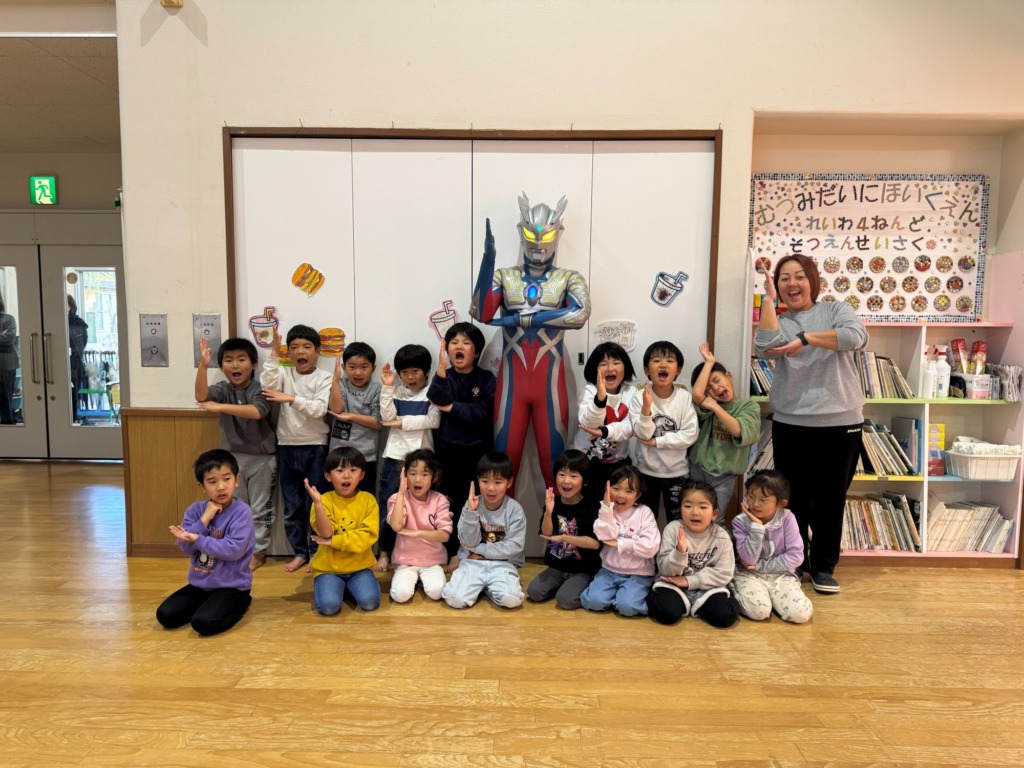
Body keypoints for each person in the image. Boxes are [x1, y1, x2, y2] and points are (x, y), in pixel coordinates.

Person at [756, 253, 869, 594]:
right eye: (784, 278)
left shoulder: (835, 310)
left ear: (812, 281)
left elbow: (855, 337)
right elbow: (765, 348)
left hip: (841, 423)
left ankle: (823, 567)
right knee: (794, 500)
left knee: (830, 500)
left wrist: (806, 338)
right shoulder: (778, 319)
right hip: (792, 422)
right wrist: (768, 300)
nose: (792, 283)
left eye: (799, 276)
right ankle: (795, 563)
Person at [469, 196, 591, 494]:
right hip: (512, 388)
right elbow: (481, 313)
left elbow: (581, 314)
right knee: (501, 471)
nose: (538, 243)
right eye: (531, 235)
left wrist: (531, 319)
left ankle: (558, 525)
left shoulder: (568, 278)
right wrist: (488, 261)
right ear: (521, 233)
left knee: (557, 472)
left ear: (558, 234)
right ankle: (498, 526)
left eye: (546, 236)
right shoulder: (505, 275)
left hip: (550, 388)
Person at [195, 336, 277, 570]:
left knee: (260, 510)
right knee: (235, 508)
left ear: (253, 364)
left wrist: (220, 407)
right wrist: (203, 366)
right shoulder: (223, 389)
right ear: (222, 367)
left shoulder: (260, 388)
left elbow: (257, 411)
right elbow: (201, 396)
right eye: (229, 360)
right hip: (231, 460)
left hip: (263, 459)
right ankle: (237, 549)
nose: (235, 365)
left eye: (242, 359)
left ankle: (258, 552)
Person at [156, 449, 255, 636]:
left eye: (227, 479)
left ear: (237, 479)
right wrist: (204, 519)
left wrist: (198, 539)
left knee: (203, 623)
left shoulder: (242, 512)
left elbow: (233, 550)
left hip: (232, 586)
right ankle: (208, 604)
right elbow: (186, 547)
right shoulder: (195, 510)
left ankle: (241, 603)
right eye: (212, 482)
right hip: (200, 585)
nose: (221, 487)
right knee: (166, 616)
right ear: (201, 486)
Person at [260, 324, 333, 573]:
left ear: (317, 352)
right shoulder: (284, 373)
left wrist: (291, 399)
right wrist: (273, 354)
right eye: (294, 347)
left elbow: (319, 409)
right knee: (292, 507)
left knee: (316, 505)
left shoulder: (324, 377)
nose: (300, 351)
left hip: (316, 448)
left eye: (306, 347)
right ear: (288, 353)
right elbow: (267, 385)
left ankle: (317, 553)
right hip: (286, 446)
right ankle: (300, 552)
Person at [426, 322, 496, 572]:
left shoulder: (486, 379)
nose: (459, 346)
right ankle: (449, 551)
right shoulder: (444, 376)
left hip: (477, 453)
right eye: (454, 342)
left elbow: (482, 413)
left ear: (476, 352)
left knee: (474, 504)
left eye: (466, 343)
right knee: (447, 504)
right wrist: (440, 368)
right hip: (445, 452)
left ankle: (469, 550)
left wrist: (452, 407)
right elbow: (436, 398)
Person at [376, 343, 440, 573]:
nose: (410, 377)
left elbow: (434, 421)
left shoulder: (433, 392)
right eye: (404, 372)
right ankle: (384, 553)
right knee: (389, 507)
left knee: (422, 510)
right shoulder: (396, 391)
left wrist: (401, 423)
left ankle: (420, 553)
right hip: (394, 457)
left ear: (427, 371)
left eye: (415, 371)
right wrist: (387, 387)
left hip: (423, 462)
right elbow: (386, 417)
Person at [645, 481, 739, 628]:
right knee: (666, 612)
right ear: (680, 509)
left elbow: (725, 572)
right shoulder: (673, 529)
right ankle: (688, 605)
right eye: (688, 506)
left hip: (707, 587)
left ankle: (696, 605)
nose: (695, 512)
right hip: (674, 584)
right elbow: (665, 569)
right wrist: (680, 552)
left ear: (714, 514)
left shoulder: (721, 536)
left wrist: (690, 581)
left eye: (703, 507)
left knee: (725, 616)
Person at [441, 452, 526, 609]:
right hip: (472, 562)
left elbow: (514, 547)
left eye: (498, 482)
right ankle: (485, 586)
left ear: (509, 482)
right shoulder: (471, 504)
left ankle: (488, 587)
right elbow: (466, 541)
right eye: (485, 481)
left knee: (512, 600)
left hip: (503, 564)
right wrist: (471, 513)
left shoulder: (515, 510)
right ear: (478, 480)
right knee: (454, 599)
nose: (491, 488)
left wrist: (479, 548)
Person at [304, 446, 381, 616]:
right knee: (329, 607)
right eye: (340, 470)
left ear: (361, 475)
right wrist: (318, 504)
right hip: (329, 568)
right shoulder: (323, 500)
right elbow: (326, 533)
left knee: (370, 602)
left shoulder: (368, 500)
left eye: (353, 470)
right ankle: (334, 586)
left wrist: (335, 541)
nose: (346, 475)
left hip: (360, 567)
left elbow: (367, 536)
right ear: (328, 476)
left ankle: (345, 587)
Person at [688, 342, 762, 516]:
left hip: (725, 476)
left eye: (716, 381)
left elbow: (739, 431)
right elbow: (697, 394)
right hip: (698, 469)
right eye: (709, 389)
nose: (716, 388)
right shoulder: (706, 406)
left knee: (716, 517)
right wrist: (709, 363)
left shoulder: (748, 407)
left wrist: (716, 407)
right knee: (693, 514)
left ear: (729, 376)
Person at [628, 340, 699, 524]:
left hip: (678, 473)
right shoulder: (638, 398)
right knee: (644, 524)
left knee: (678, 523)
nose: (663, 365)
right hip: (645, 472)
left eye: (669, 360)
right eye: (656, 360)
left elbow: (690, 434)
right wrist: (646, 408)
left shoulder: (684, 398)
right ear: (646, 370)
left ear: (678, 370)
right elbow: (643, 435)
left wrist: (657, 441)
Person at [731, 470, 812, 624]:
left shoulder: (788, 518)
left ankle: (774, 598)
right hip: (748, 574)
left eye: (763, 500)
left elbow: (796, 557)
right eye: (750, 496)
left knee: (800, 614)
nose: (755, 504)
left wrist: (760, 566)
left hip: (781, 574)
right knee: (759, 611)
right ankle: (748, 592)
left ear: (780, 503)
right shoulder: (740, 522)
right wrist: (757, 527)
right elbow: (748, 560)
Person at [579, 465, 660, 617]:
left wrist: (621, 543)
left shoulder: (644, 512)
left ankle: (626, 597)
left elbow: (651, 547)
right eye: (616, 488)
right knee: (592, 601)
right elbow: (603, 535)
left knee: (627, 607)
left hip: (639, 574)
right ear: (607, 488)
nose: (621, 495)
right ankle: (618, 597)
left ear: (638, 495)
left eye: (629, 491)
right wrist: (606, 509)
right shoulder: (606, 511)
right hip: (609, 570)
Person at [526, 449, 601, 610]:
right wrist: (548, 513)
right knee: (534, 593)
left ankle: (583, 586)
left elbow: (594, 543)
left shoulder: (591, 507)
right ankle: (564, 585)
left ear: (584, 481)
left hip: (582, 569)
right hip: (557, 566)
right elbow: (546, 534)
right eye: (561, 474)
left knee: (565, 601)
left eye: (573, 476)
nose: (566, 481)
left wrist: (565, 538)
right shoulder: (554, 502)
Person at [386, 449, 452, 603]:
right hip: (405, 561)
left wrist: (417, 533)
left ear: (434, 477)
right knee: (400, 595)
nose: (417, 479)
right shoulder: (397, 498)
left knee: (437, 592)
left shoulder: (440, 500)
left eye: (425, 474)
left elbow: (444, 535)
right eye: (412, 473)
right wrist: (401, 493)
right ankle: (413, 579)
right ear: (404, 475)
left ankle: (421, 580)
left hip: (432, 561)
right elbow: (396, 526)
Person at [574, 342, 637, 503]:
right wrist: (600, 400)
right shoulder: (588, 390)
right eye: (603, 364)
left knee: (617, 508)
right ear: (594, 369)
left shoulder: (631, 392)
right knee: (589, 507)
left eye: (616, 363)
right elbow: (588, 423)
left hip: (618, 463)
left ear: (625, 367)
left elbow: (630, 427)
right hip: (586, 462)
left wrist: (605, 431)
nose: (610, 368)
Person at [327, 341, 382, 495]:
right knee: (337, 498)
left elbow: (378, 422)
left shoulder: (376, 389)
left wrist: (351, 415)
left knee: (365, 497)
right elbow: (336, 409)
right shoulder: (341, 385)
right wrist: (335, 380)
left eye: (364, 367)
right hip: (338, 455)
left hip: (366, 456)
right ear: (344, 367)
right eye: (352, 367)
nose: (358, 373)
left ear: (373, 368)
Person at [66, 295, 88, 424]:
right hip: (61, 361)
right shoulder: (53, 322)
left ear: (70, 307)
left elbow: (82, 343)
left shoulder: (77, 323)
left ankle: (72, 419)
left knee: (72, 392)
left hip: (74, 361)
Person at [0, 295, 18, 425]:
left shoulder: (8, 319)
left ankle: (7, 427)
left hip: (6, 364)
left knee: (5, 399)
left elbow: (8, 338)